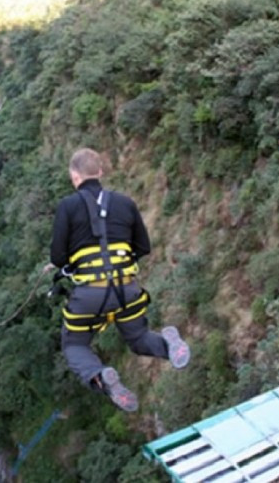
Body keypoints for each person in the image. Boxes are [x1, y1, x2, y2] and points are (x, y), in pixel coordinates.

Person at [50, 147, 190, 412]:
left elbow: (58, 257)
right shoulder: (125, 203)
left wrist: (72, 265)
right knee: (137, 338)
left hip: (89, 296)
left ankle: (101, 376)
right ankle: (168, 344)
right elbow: (143, 247)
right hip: (127, 290)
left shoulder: (68, 206)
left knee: (75, 345)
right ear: (100, 172)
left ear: (74, 176)